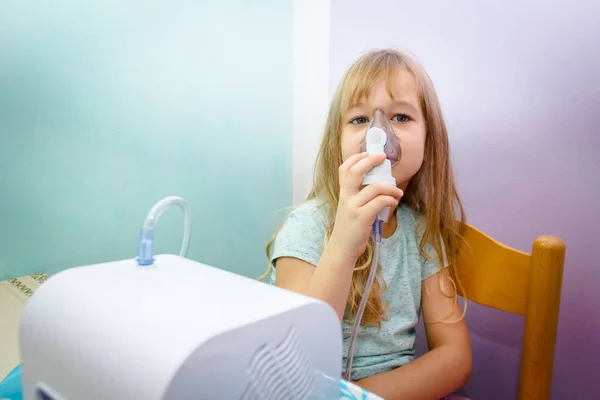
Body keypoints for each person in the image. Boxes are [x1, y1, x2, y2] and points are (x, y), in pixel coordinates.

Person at [263, 49, 472, 400]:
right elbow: (297, 356)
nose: (379, 133)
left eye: (401, 116)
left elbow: (455, 358)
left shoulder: (421, 236)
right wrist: (344, 243)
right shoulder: (307, 228)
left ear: (429, 139)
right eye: (359, 120)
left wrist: (360, 397)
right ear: (337, 141)